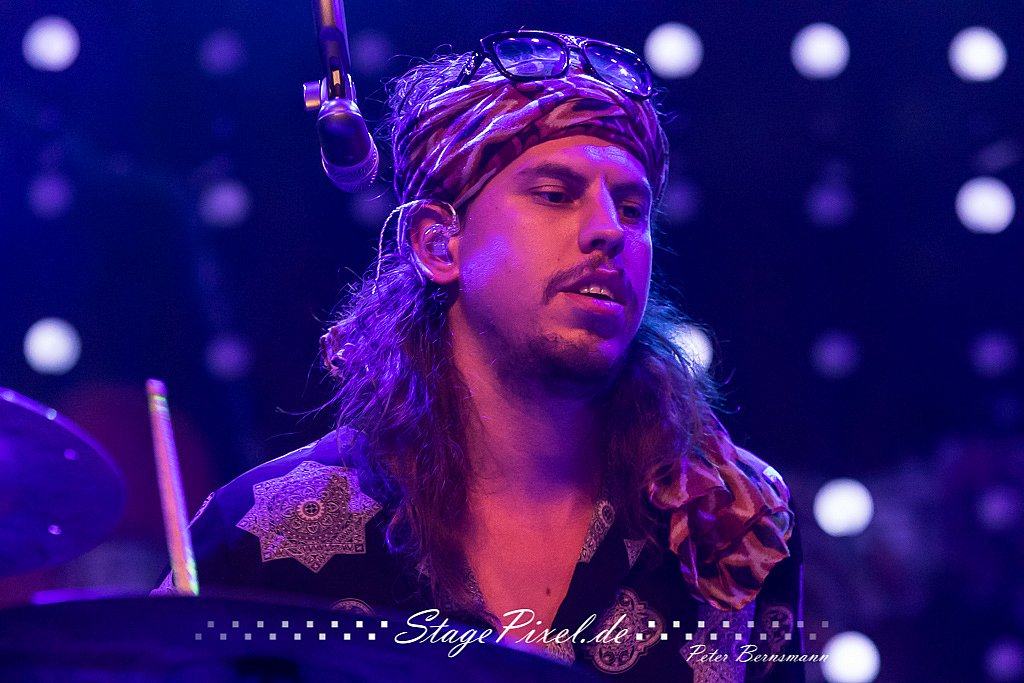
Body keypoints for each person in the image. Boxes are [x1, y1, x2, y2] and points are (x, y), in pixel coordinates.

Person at [156, 30, 803, 681]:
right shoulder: (265, 532)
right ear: (438, 244)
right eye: (555, 194)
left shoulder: (733, 520)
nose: (610, 230)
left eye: (632, 208)